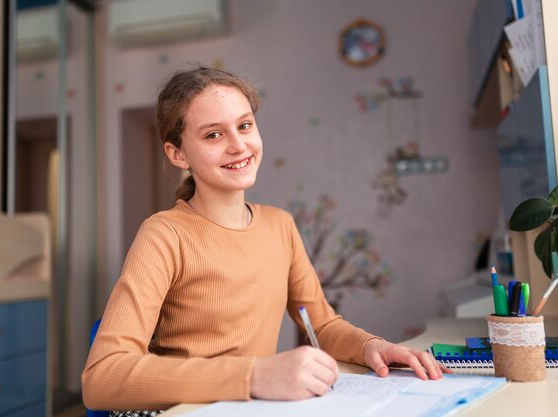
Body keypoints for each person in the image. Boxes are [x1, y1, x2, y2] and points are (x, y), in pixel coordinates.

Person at [81, 66, 449, 415]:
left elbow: (321, 326)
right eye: (213, 134)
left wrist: (373, 347)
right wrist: (255, 375)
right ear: (178, 154)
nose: (238, 145)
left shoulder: (280, 225)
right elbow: (102, 377)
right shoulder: (164, 234)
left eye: (244, 125)